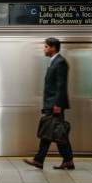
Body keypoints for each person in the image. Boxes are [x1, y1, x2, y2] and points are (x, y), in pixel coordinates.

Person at [24, 37, 75, 170]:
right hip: (51, 103)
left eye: (46, 46)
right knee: (57, 131)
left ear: (53, 48)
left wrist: (57, 104)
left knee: (49, 131)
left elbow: (61, 85)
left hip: (55, 104)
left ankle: (39, 160)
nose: (44, 49)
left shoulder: (60, 62)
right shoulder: (54, 61)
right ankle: (68, 160)